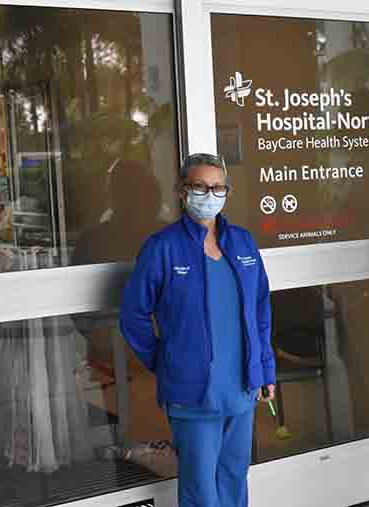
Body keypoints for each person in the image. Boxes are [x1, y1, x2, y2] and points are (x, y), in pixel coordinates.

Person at [120, 153, 276, 507]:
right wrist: (166, 360)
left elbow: (261, 309)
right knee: (200, 488)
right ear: (181, 191)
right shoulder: (163, 247)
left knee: (234, 476)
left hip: (242, 386)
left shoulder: (243, 243)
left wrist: (265, 368)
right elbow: (134, 316)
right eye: (200, 186)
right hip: (192, 391)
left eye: (218, 187)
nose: (210, 194)